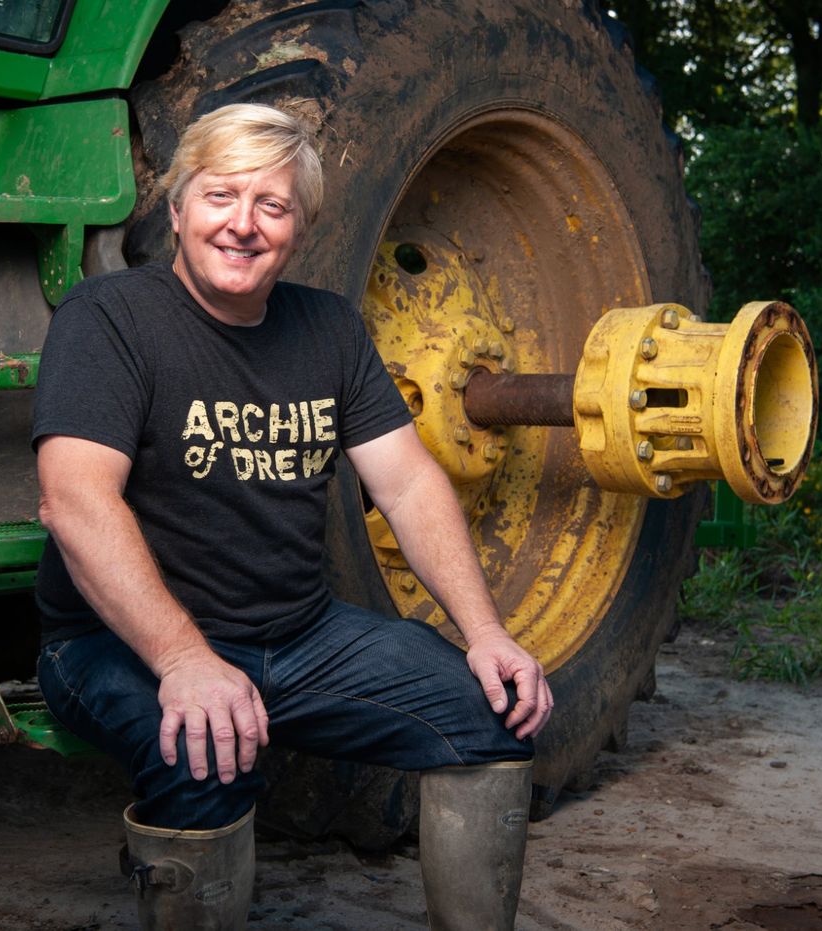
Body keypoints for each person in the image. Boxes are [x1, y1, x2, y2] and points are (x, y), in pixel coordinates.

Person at [31, 102, 552, 930]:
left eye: (271, 205)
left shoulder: (330, 328)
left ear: (299, 231)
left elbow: (409, 484)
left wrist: (486, 632)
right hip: (117, 644)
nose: (243, 224)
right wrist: (184, 660)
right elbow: (74, 501)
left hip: (300, 637)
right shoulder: (108, 318)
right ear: (177, 210)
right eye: (220, 196)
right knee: (201, 757)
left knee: (488, 712)